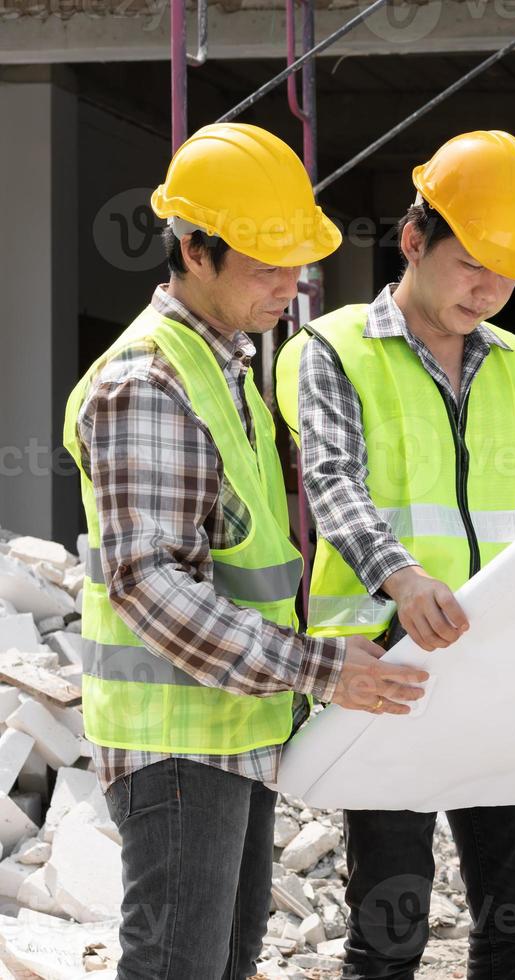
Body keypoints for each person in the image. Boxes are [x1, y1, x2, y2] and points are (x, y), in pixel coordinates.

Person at [61, 122, 428, 980]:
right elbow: (149, 584)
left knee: (225, 962)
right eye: (266, 266)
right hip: (177, 741)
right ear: (194, 251)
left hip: (232, 728)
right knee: (177, 966)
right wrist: (320, 668)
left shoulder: (226, 367)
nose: (290, 287)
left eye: (296, 263)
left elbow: (246, 559)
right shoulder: (147, 382)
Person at [275, 130, 515, 979]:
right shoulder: (334, 348)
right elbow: (332, 481)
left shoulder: (514, 362)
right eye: (472, 262)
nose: (490, 289)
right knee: (391, 929)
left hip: (499, 673)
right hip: (390, 674)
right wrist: (402, 578)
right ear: (415, 240)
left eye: (508, 271)